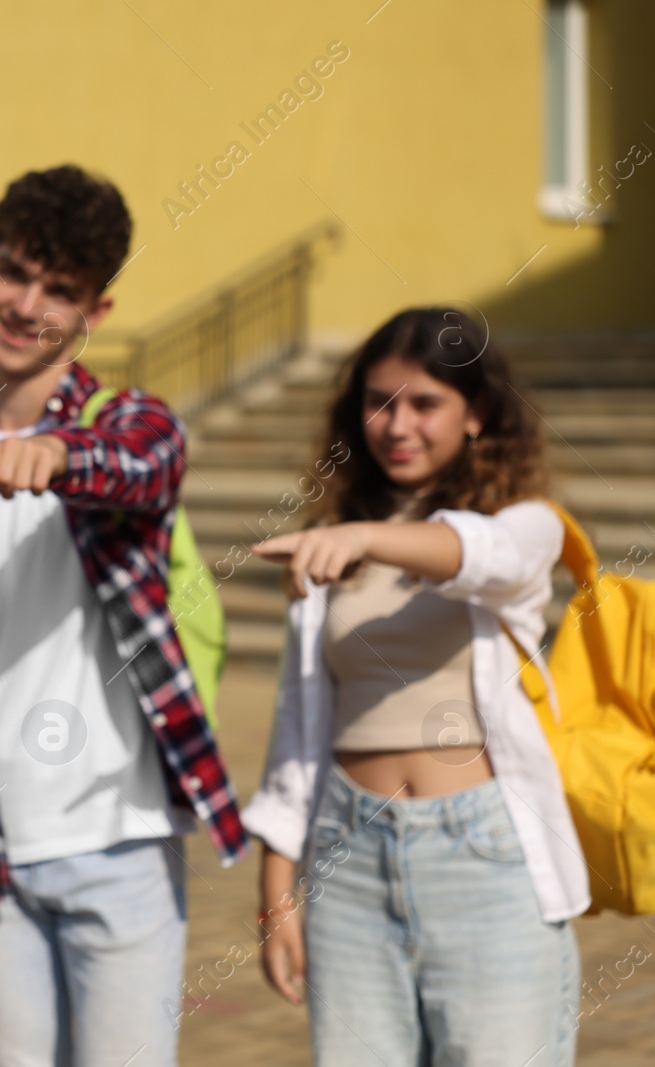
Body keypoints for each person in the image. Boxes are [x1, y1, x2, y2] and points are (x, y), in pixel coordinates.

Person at [0, 164, 247, 1067]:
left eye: (60, 290)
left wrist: (56, 455)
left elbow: (144, 466)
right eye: (15, 272)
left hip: (119, 837)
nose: (27, 303)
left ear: (95, 316)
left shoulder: (131, 422)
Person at [244, 308, 587, 1065]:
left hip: (484, 857)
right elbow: (297, 730)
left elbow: (479, 553)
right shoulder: (334, 540)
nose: (396, 424)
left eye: (425, 403)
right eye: (378, 401)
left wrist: (363, 538)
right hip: (345, 852)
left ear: (478, 415)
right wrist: (276, 892)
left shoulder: (525, 524)